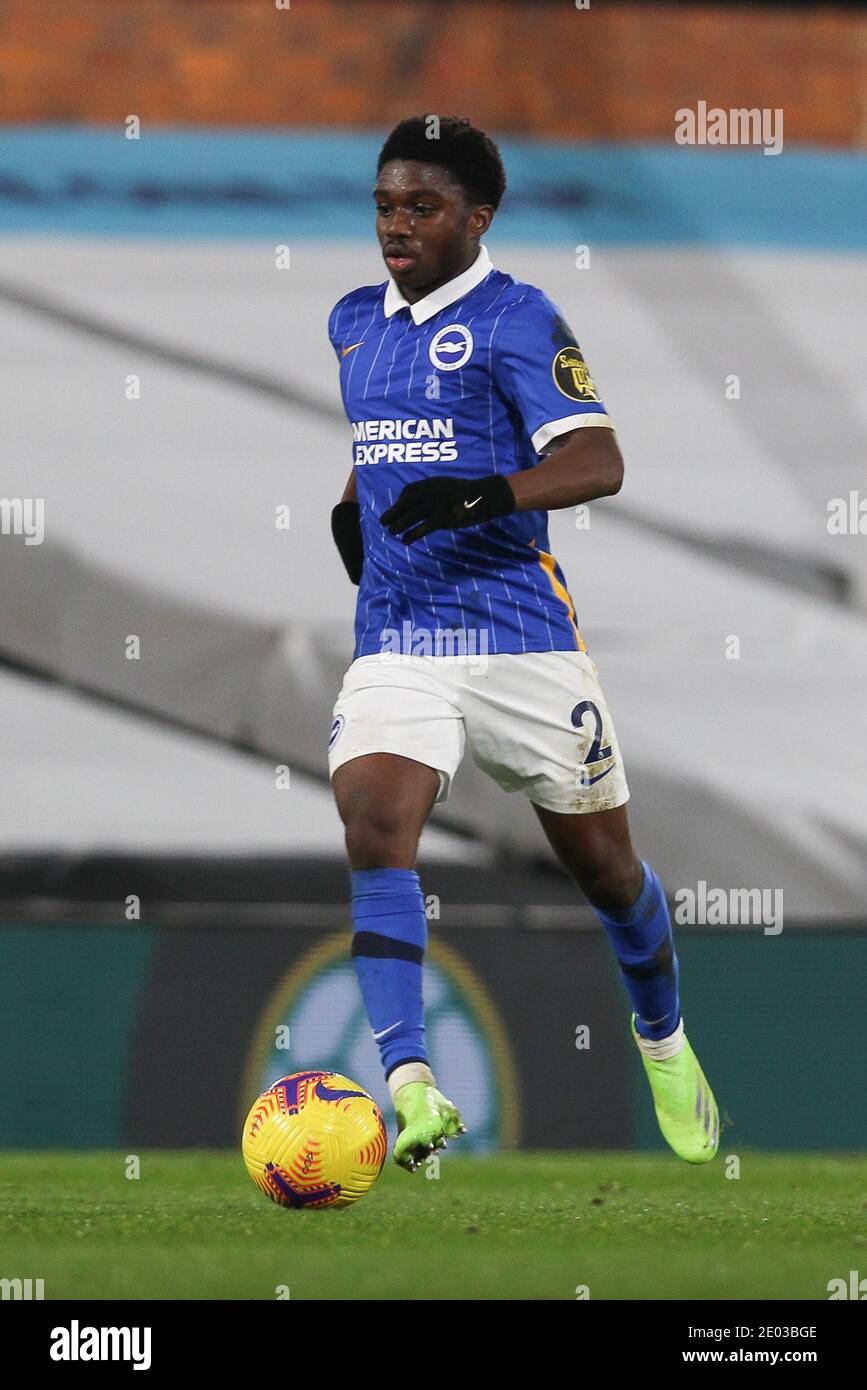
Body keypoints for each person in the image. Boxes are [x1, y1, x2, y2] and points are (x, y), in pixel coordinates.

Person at [327, 115, 718, 1171]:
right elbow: (385, 438)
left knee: (606, 868)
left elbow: (599, 460)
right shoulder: (354, 322)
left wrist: (486, 494)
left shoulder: (518, 318)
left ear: (477, 218)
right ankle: (409, 1085)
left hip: (520, 636)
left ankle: (664, 1036)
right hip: (401, 636)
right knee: (375, 817)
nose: (396, 227)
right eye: (384, 205)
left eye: (422, 208)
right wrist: (354, 501)